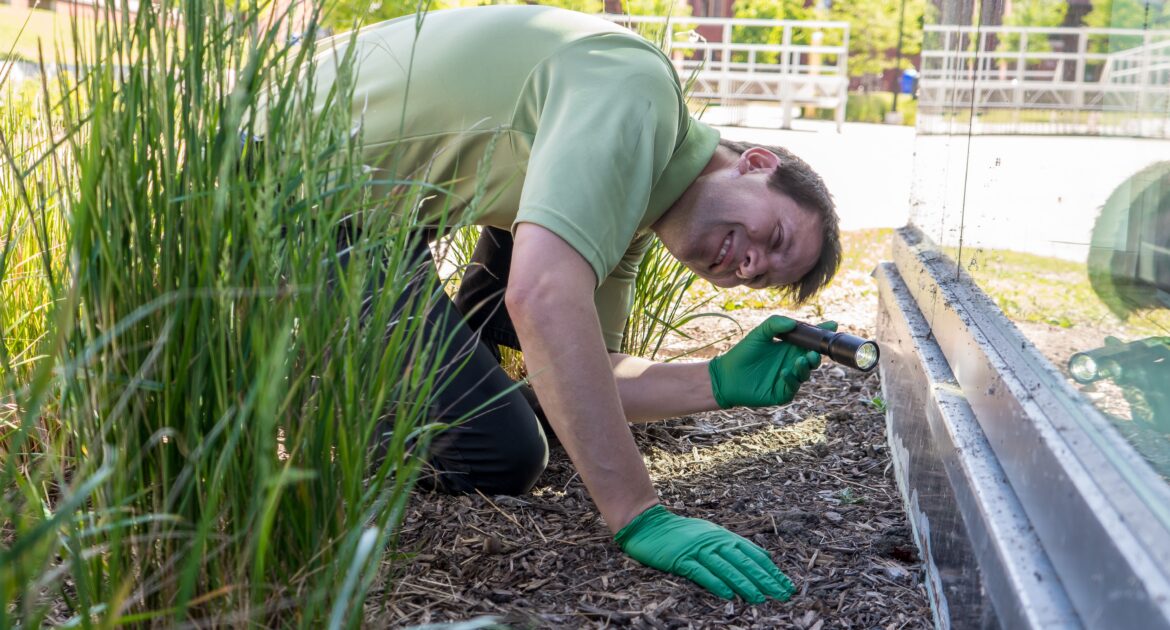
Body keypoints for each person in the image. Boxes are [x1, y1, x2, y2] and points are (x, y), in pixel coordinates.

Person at [269, 4, 841, 605]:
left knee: (544, 393)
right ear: (756, 165)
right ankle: (333, 407)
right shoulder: (636, 88)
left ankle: (427, 387)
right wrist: (638, 512)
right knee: (498, 451)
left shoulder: (633, 210)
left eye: (761, 278)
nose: (750, 265)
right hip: (285, 183)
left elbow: (577, 370)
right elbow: (541, 298)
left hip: (367, 208)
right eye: (773, 238)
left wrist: (716, 379)